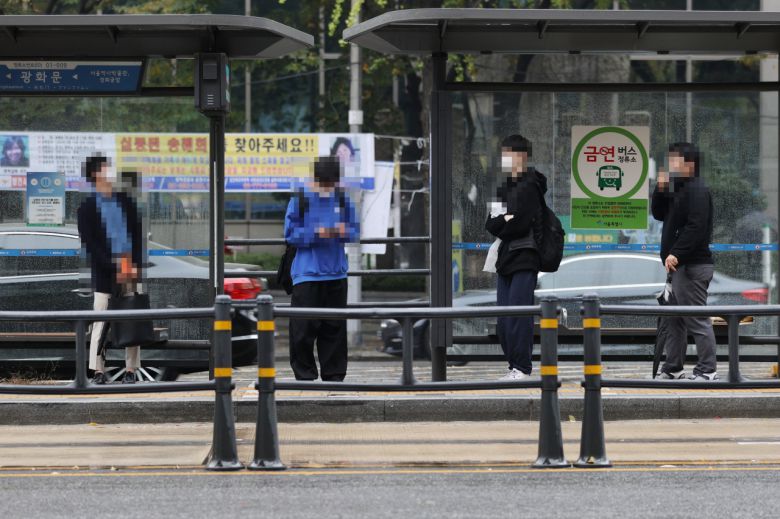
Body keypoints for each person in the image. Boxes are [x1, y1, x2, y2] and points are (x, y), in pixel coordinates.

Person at [284, 157, 359, 381]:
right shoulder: (300, 200)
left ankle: (334, 375)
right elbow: (290, 235)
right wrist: (318, 232)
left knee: (334, 328)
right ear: (314, 178)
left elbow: (354, 232)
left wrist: (342, 231)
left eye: (332, 183)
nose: (328, 187)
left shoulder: (343, 200)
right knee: (302, 329)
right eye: (324, 182)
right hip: (306, 274)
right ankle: (304, 375)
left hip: (336, 273)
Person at [651, 142, 717, 381]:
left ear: (689, 163)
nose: (670, 164)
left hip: (692, 266)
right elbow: (659, 214)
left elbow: (696, 226)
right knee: (674, 320)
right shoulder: (677, 187)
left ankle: (707, 370)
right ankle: (673, 368)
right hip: (678, 266)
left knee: (696, 319)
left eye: (674, 159)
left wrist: (677, 253)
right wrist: (660, 188)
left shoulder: (697, 189)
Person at [78, 155, 144, 385]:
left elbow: (137, 234)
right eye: (105, 168)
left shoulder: (125, 201)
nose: (110, 171)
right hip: (105, 271)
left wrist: (134, 264)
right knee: (100, 321)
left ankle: (130, 370)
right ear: (95, 173)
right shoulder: (87, 207)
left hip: (128, 265)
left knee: (131, 318)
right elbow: (91, 245)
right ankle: (98, 370)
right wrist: (113, 266)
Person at [485, 134, 547, 380]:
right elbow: (490, 223)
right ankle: (513, 365)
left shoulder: (531, 184)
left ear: (521, 156)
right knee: (504, 317)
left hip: (525, 257)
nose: (505, 159)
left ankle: (522, 367)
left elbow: (521, 223)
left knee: (519, 316)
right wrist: (507, 219)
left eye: (508, 154)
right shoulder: (504, 187)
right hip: (505, 260)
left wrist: (507, 220)